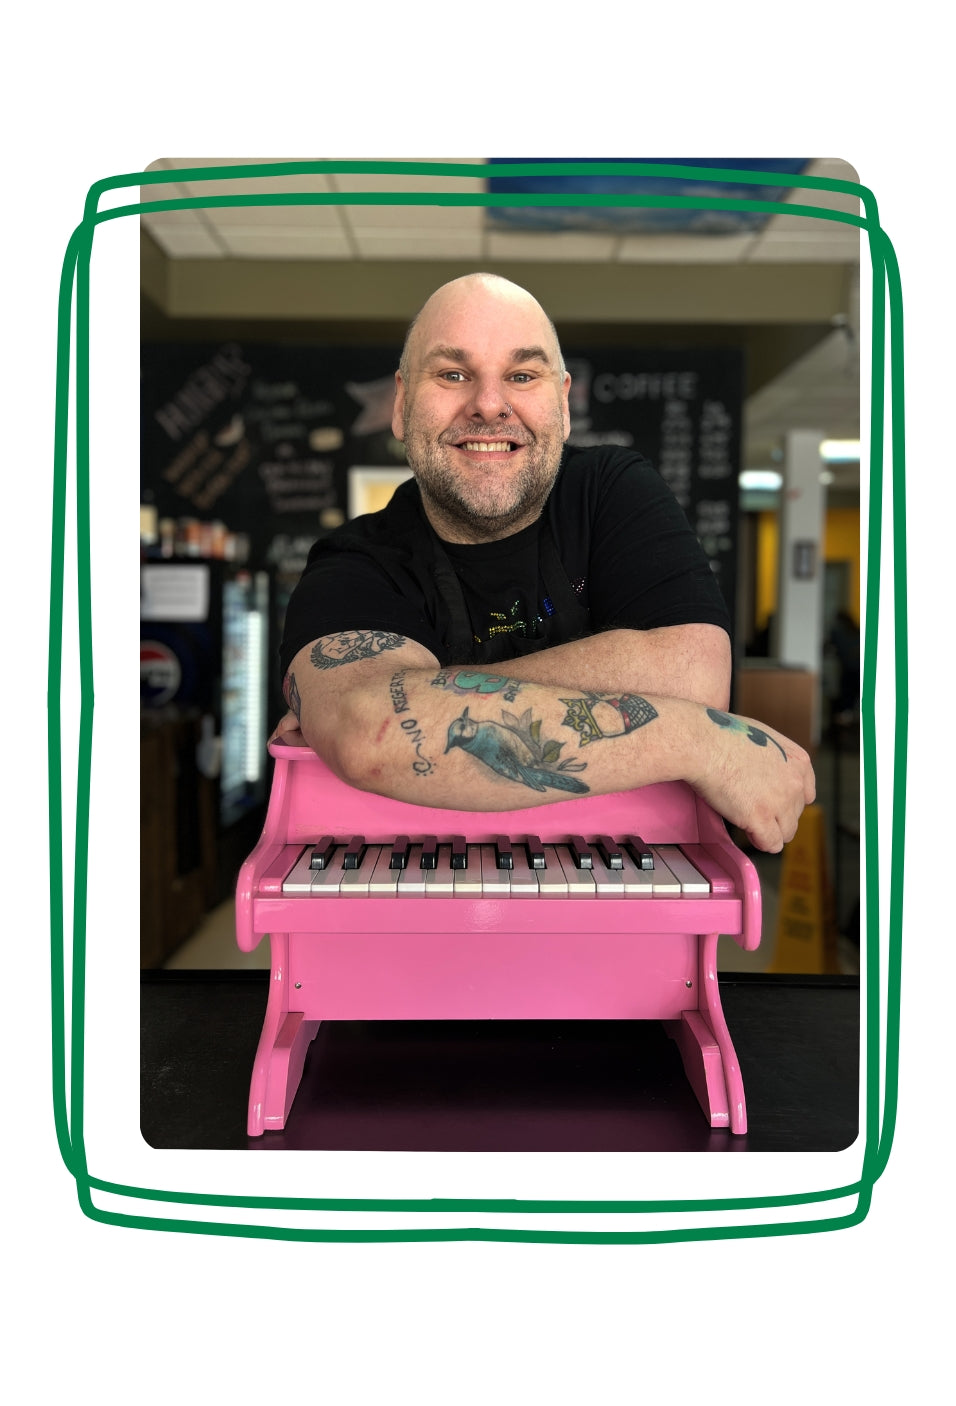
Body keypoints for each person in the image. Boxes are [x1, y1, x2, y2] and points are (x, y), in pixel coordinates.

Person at [271, 272, 814, 853]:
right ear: (403, 406)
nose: (487, 404)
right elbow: (368, 731)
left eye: (522, 376)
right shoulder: (354, 563)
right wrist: (696, 739)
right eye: (453, 374)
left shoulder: (610, 492)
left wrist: (421, 694)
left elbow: (695, 678)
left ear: (562, 402)